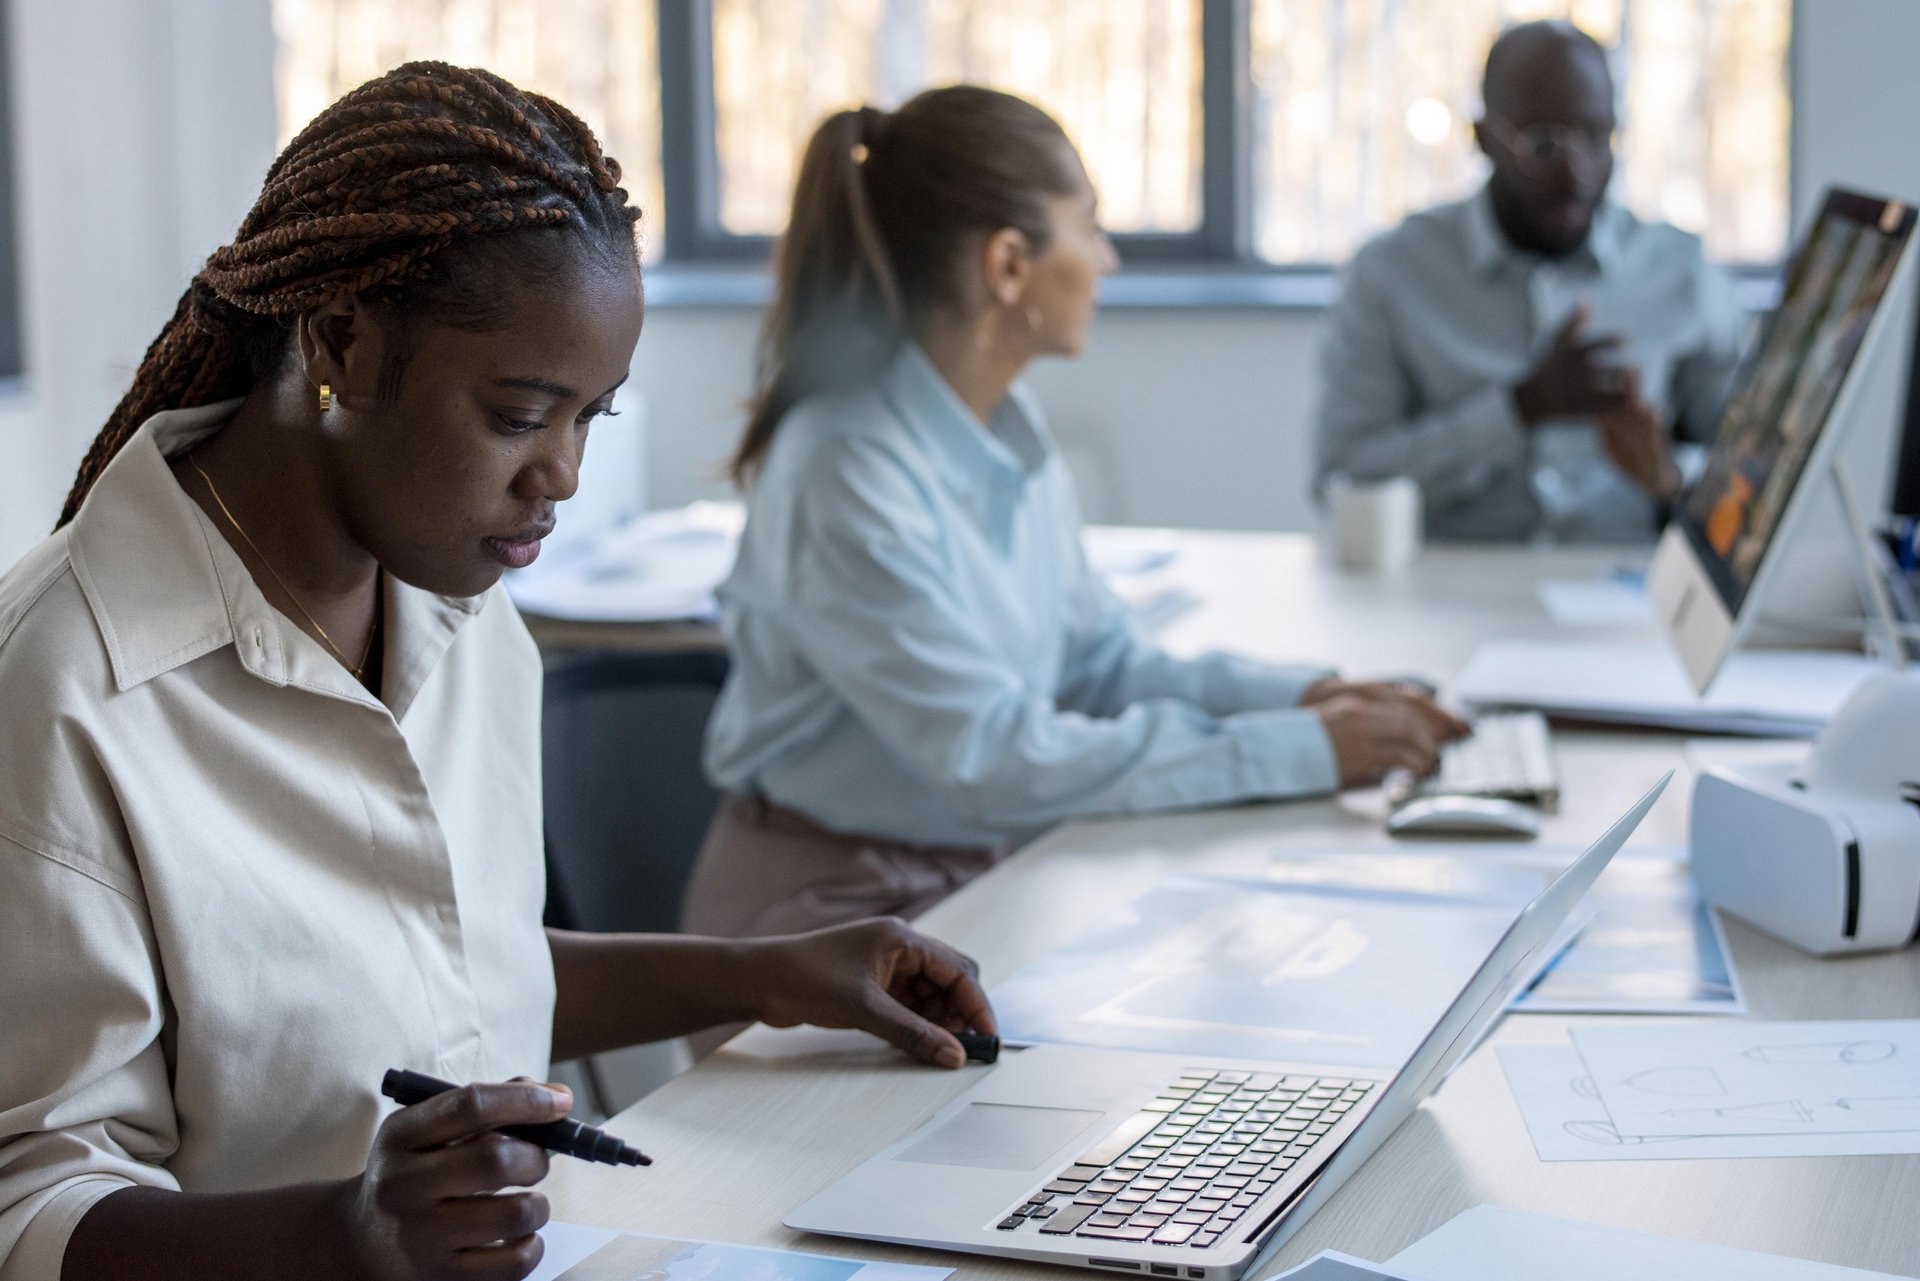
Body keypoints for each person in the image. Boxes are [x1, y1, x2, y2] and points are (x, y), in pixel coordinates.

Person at [0, 64, 993, 1281]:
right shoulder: (62, 689)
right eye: (522, 414)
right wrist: (348, 1233)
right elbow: (29, 1207)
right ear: (342, 345)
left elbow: (455, 974)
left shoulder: (461, 608)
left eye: (593, 419)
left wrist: (770, 977)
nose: (562, 475)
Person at [683, 86, 1465, 942]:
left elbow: (1098, 665)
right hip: (824, 919)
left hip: (978, 874)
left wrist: (1308, 696)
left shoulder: (1006, 431)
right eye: (1089, 227)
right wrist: (1305, 748)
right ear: (1009, 265)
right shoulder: (844, 468)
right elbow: (997, 757)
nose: (1109, 260)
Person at [1314, 20, 1748, 542]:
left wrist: (1672, 479)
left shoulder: (1680, 272)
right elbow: (1341, 479)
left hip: (1623, 596)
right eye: (1543, 145)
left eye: (1596, 139)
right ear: (1483, 140)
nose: (1576, 174)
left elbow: (1756, 472)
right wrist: (1518, 409)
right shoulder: (1394, 273)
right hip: (1447, 599)